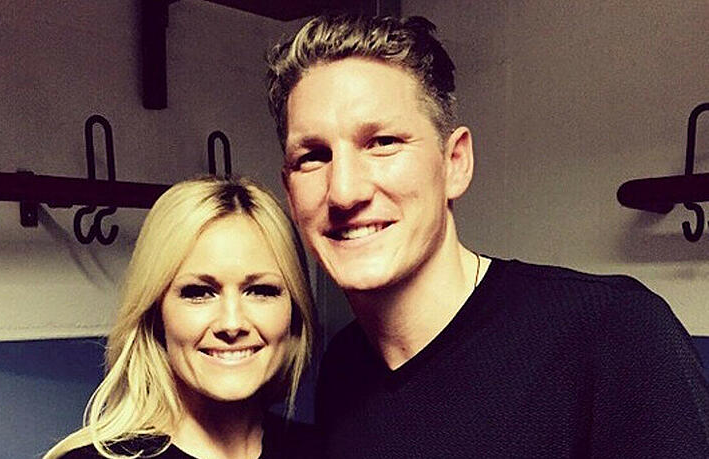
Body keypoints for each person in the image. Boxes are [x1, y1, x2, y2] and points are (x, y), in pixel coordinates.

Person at [266, 14, 709, 458]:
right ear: (289, 190)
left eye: (383, 142)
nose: (344, 192)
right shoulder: (343, 367)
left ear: (455, 163)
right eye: (313, 156)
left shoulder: (615, 332)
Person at [44, 175, 318, 459]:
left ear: (294, 309)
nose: (232, 323)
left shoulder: (324, 449)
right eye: (199, 293)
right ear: (156, 312)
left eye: (260, 291)